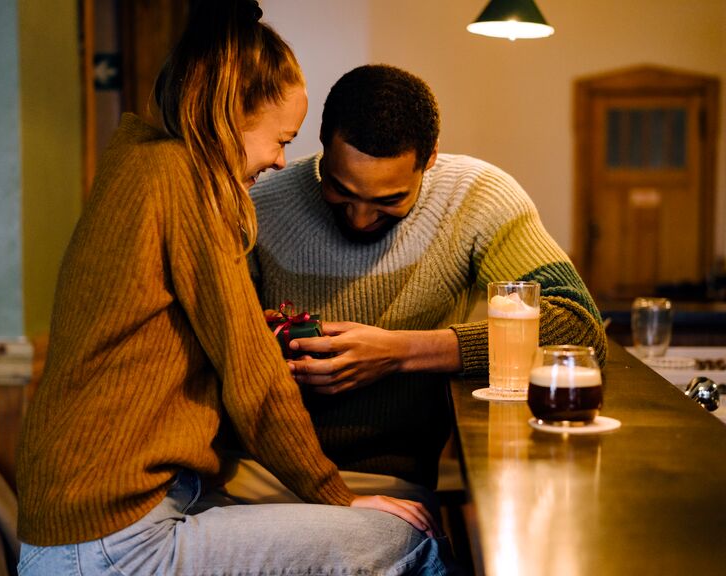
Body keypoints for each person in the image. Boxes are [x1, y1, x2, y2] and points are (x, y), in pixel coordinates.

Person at [15, 4, 455, 575]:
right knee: (407, 539)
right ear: (227, 113)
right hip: (109, 542)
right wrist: (334, 495)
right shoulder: (188, 182)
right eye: (280, 139)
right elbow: (253, 379)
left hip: (97, 519)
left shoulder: (140, 160)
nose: (279, 160)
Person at [226, 63, 607, 503]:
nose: (361, 217)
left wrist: (401, 353)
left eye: (389, 200)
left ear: (430, 160)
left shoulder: (477, 198)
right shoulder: (256, 205)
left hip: (394, 484)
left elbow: (580, 330)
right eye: (340, 189)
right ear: (323, 145)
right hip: (257, 476)